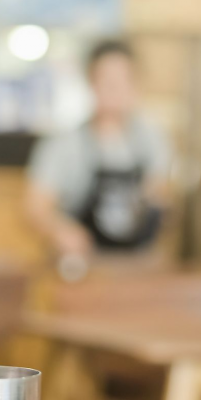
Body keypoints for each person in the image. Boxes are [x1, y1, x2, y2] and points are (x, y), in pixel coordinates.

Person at [25, 40, 173, 262]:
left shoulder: (151, 140)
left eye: (124, 80)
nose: (116, 89)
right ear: (91, 82)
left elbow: (162, 191)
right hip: (83, 265)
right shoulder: (64, 144)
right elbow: (35, 207)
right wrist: (61, 231)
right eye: (107, 81)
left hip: (138, 264)